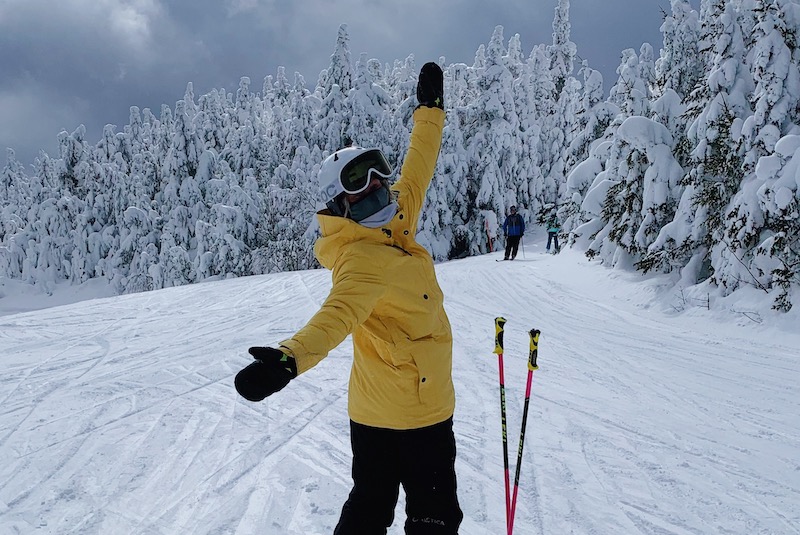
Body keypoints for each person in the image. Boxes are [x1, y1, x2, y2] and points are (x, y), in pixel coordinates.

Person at [234, 62, 463, 534]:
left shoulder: (397, 218)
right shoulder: (360, 259)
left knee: (409, 508)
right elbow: (335, 317)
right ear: (340, 207)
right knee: (399, 511)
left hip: (419, 405)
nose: (377, 188)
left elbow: (418, 167)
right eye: (359, 189)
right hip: (403, 417)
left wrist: (429, 113)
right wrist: (287, 360)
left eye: (377, 177)